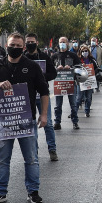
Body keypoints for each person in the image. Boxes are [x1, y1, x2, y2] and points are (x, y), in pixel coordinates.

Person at [0, 33, 50, 203]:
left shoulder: (32, 67)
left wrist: (44, 114)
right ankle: (0, 192)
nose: (16, 48)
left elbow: (44, 91)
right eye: (13, 45)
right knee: (2, 159)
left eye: (19, 46)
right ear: (7, 45)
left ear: (24, 48)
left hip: (26, 121)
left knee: (32, 158)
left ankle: (33, 192)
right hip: (4, 122)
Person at [25, 33, 59, 161]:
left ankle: (52, 149)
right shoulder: (23, 57)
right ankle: (34, 151)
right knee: (31, 125)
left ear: (37, 42)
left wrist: (41, 78)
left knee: (48, 123)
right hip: (28, 97)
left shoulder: (44, 57)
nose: (30, 44)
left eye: (32, 41)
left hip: (43, 96)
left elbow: (53, 73)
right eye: (28, 42)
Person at [52, 36, 80, 131]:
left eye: (64, 42)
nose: (62, 43)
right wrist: (56, 68)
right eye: (60, 42)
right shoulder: (54, 56)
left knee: (73, 104)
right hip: (59, 84)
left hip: (71, 83)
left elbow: (79, 67)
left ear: (67, 43)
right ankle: (57, 122)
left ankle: (75, 122)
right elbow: (49, 69)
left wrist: (71, 67)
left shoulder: (73, 55)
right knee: (58, 105)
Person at [78, 46, 97, 117]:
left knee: (88, 97)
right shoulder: (78, 59)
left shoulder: (92, 59)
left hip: (90, 81)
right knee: (79, 98)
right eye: (83, 51)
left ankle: (87, 111)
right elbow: (75, 67)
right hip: (81, 82)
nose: (84, 52)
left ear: (88, 52)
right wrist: (80, 65)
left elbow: (97, 68)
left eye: (86, 51)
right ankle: (74, 112)